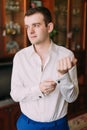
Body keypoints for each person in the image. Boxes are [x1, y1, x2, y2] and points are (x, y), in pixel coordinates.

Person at [10, 7, 79, 130]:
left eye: (36, 25)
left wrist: (63, 75)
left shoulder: (66, 56)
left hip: (58, 125)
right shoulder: (20, 57)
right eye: (27, 27)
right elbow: (15, 94)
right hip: (28, 125)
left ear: (49, 27)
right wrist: (38, 89)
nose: (30, 31)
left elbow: (72, 97)